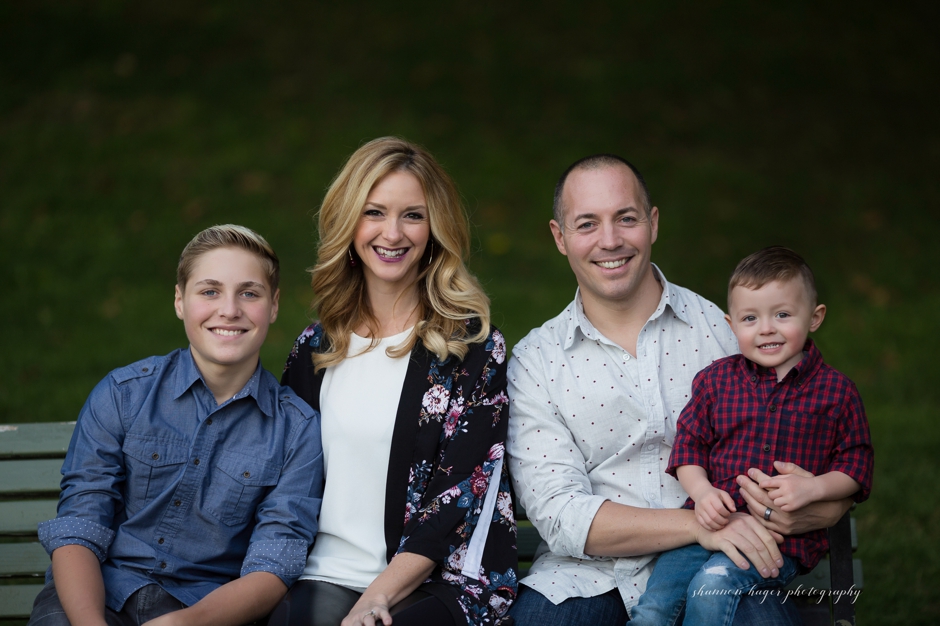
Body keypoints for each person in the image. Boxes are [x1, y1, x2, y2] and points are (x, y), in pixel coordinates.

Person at [505, 155, 854, 625]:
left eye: (626, 218)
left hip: (723, 565)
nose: (610, 240)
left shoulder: (724, 333)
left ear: (652, 223)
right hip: (585, 577)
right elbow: (560, 514)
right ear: (559, 236)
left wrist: (822, 502)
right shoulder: (537, 360)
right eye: (587, 224)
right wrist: (699, 525)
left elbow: (819, 440)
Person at [268, 137, 516, 626]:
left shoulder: (472, 349)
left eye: (413, 215)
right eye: (375, 212)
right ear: (349, 222)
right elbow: (285, 481)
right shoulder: (316, 348)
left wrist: (375, 598)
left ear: (435, 228)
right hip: (323, 575)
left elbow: (457, 498)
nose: (393, 233)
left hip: (437, 583)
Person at [29, 225, 324, 626]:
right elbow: (80, 526)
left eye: (249, 293)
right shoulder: (123, 394)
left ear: (273, 306)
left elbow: (274, 565)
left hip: (206, 611)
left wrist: (186, 623)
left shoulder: (296, 430)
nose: (229, 310)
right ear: (180, 301)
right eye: (210, 291)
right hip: (97, 596)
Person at [629, 246, 874, 625]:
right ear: (732, 325)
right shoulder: (715, 381)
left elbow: (856, 464)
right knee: (653, 609)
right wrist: (703, 493)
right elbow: (689, 448)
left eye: (782, 314)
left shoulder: (836, 392)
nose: (766, 328)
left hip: (777, 541)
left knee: (712, 587)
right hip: (705, 529)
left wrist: (814, 488)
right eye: (750, 318)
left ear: (814, 317)